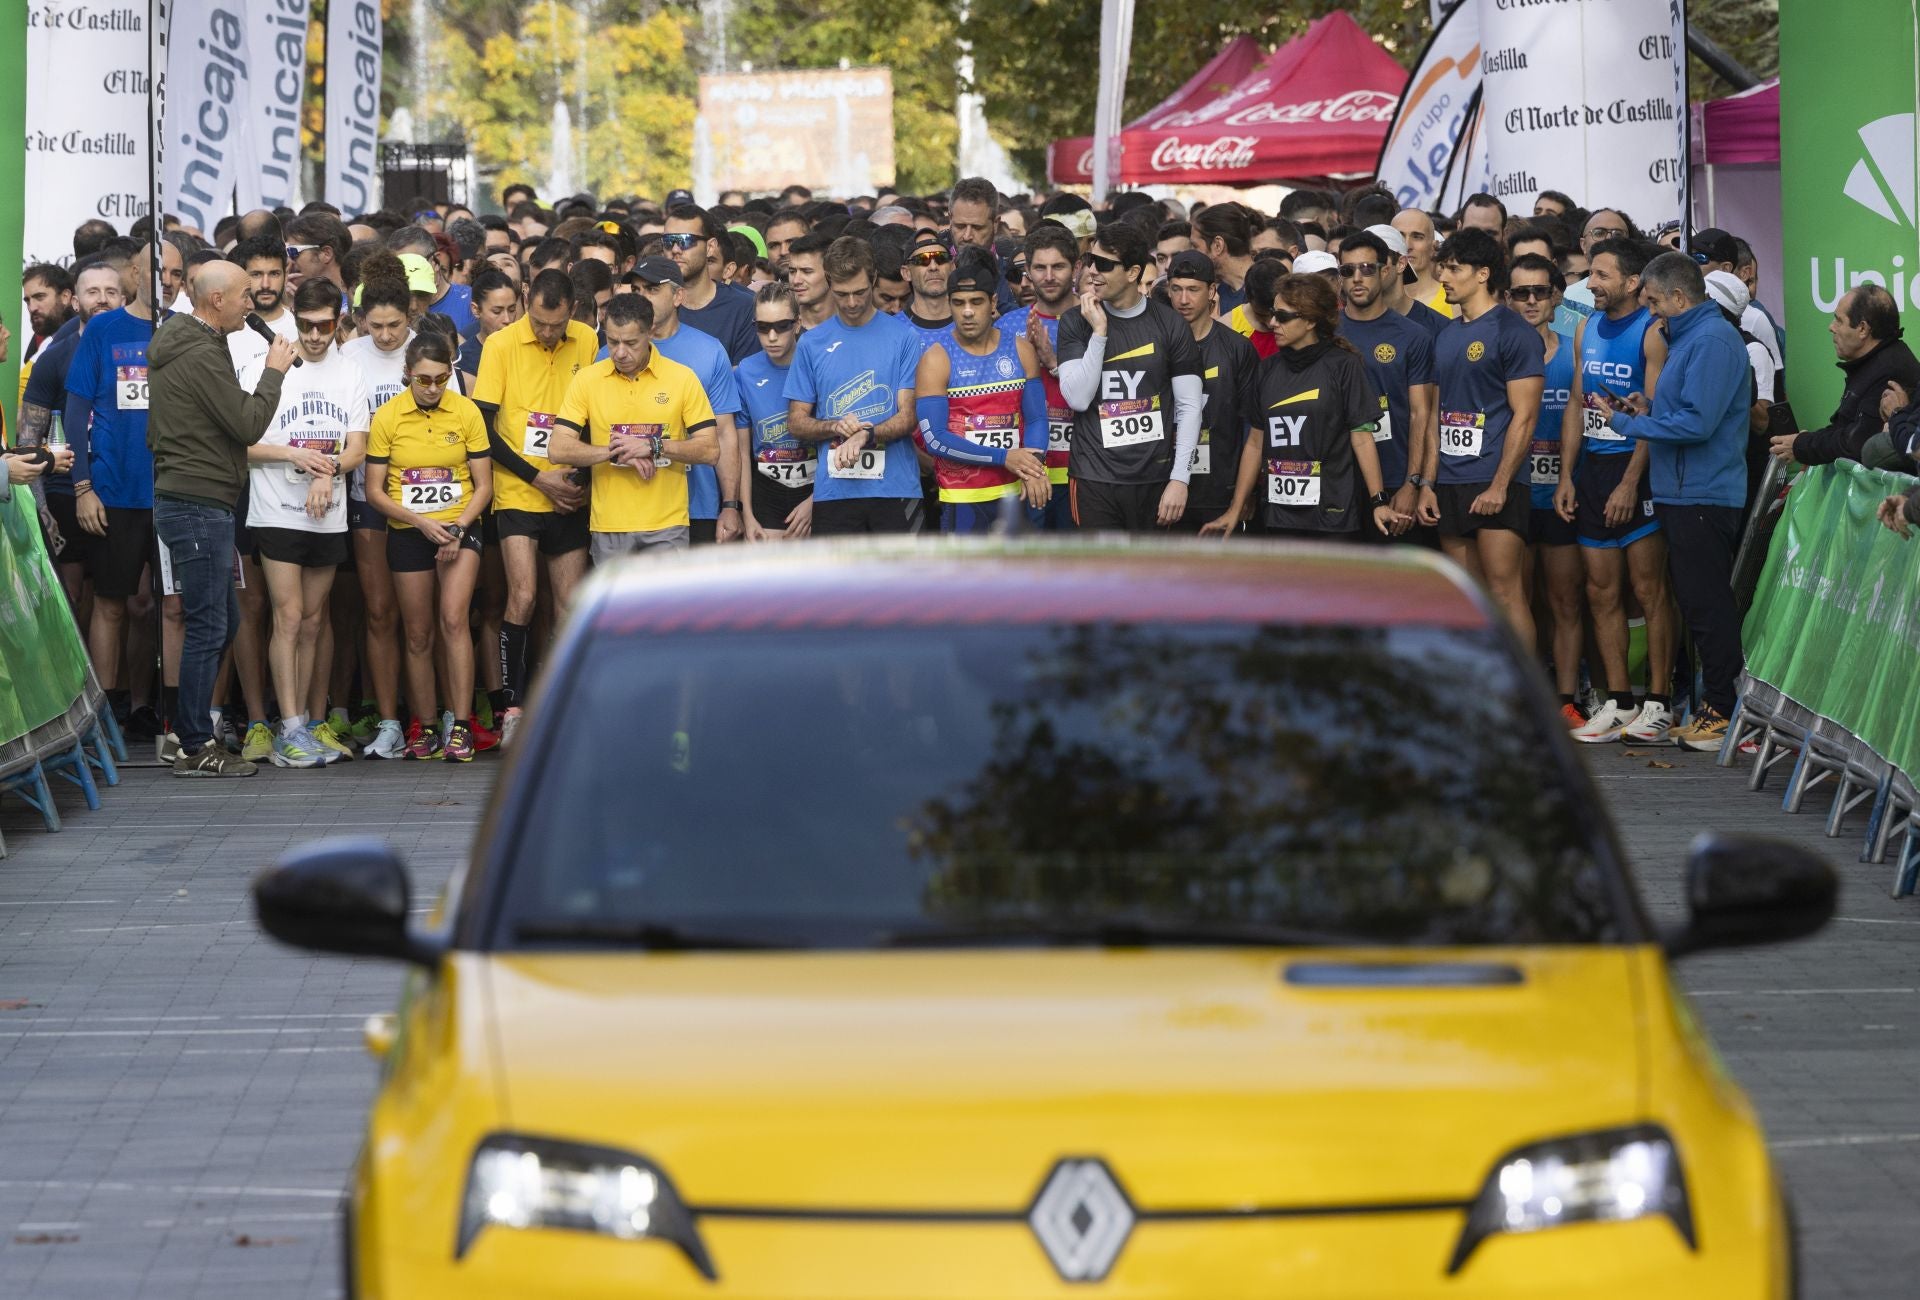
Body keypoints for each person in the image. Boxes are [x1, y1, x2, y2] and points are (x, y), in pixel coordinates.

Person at [147, 261, 296, 777]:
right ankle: (194, 745)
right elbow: (248, 423)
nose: (251, 304)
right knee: (210, 623)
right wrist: (274, 370)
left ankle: (182, 734)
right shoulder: (199, 354)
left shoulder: (191, 344)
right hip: (197, 503)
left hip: (193, 499)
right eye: (244, 296)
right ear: (216, 302)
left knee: (221, 620)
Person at [1598, 252, 1752, 751]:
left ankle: (1725, 711)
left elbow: (1697, 424)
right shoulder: (1691, 338)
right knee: (1698, 604)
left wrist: (1628, 423)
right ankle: (1715, 708)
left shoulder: (1711, 341)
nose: (1651, 311)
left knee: (1708, 607)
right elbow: (1683, 409)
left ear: (1681, 297)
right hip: (1685, 491)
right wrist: (1644, 407)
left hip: (1703, 493)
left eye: (1656, 301)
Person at [242, 279, 368, 768]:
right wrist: (298, 455)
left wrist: (330, 468)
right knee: (288, 616)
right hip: (276, 509)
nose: (315, 336)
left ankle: (305, 725)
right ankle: (290, 726)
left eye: (325, 326)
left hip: (327, 512)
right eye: (307, 326)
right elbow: (243, 444)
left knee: (314, 621)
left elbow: (357, 447)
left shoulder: (350, 372)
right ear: (295, 318)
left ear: (339, 320)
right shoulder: (267, 367)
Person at [1555, 238, 1676, 743]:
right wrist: (1566, 474)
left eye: (1601, 275)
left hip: (1637, 469)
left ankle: (1660, 702)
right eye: (1589, 275)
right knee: (1599, 591)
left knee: (1648, 591)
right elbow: (1577, 406)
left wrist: (1630, 481)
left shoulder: (1652, 334)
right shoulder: (1585, 328)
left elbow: (1653, 413)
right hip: (1593, 471)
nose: (1592, 284)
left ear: (1632, 283)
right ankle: (1619, 702)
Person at [65, 238, 185, 741]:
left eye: (177, 274)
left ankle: (177, 723)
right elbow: (75, 412)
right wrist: (82, 487)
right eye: (159, 272)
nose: (168, 282)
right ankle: (103, 720)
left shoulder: (189, 332)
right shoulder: (105, 329)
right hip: (114, 491)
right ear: (134, 273)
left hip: (176, 493)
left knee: (174, 606)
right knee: (111, 604)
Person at [471, 269, 596, 742]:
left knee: (569, 603)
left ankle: (566, 705)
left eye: (556, 324)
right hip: (519, 489)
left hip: (570, 490)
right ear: (527, 300)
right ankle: (513, 708)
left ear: (573, 311)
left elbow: (595, 418)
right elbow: (483, 427)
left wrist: (576, 477)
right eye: (540, 322)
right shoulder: (501, 345)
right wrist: (538, 477)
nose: (547, 332)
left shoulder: (585, 340)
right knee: (522, 596)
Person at [364, 334, 493, 762]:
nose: (433, 387)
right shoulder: (388, 416)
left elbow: (484, 485)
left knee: (454, 620)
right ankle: (427, 722)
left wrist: (456, 528)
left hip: (460, 525)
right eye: (424, 379)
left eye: (441, 378)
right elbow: (374, 491)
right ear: (408, 375)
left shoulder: (467, 411)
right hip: (409, 529)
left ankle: (460, 722)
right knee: (417, 632)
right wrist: (420, 523)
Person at [1205, 271, 1401, 541]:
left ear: (1310, 320)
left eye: (1283, 316)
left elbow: (1363, 438)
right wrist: (1236, 509)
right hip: (1279, 513)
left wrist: (1378, 501)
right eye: (1273, 313)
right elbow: (1255, 443)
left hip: (1332, 514)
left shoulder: (1344, 366)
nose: (1273, 322)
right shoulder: (1266, 370)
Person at [1426, 227, 1545, 642]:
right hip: (1451, 481)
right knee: (1467, 601)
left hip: (1498, 480)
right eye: (1443, 267)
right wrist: (1426, 484)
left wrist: (1500, 485)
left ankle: (1521, 704)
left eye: (1454, 268)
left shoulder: (1512, 332)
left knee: (1505, 593)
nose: (1443, 276)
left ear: (1483, 274)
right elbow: (1435, 418)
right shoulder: (1445, 335)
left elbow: (1525, 416)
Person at [1056, 223, 1204, 532]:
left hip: (1155, 478)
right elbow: (1078, 399)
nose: (1093, 271)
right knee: (1101, 578)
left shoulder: (1171, 324)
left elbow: (1190, 407)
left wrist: (1180, 479)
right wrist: (1099, 333)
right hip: (1094, 477)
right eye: (1090, 260)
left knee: (1149, 578)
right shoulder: (1075, 321)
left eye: (1105, 265)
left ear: (1134, 272)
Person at [549, 292, 719, 557]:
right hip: (609, 526)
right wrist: (616, 451)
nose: (619, 352)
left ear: (649, 332)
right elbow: (557, 448)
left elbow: (710, 450)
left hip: (667, 524)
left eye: (630, 343)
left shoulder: (682, 378)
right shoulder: (587, 380)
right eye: (612, 341)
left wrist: (653, 446)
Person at [785, 237, 926, 535]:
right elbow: (796, 422)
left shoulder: (904, 338)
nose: (852, 303)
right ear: (828, 282)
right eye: (842, 293)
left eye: (860, 292)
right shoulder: (811, 343)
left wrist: (867, 435)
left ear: (873, 279)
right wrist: (835, 427)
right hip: (835, 492)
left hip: (895, 488)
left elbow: (908, 415)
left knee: (903, 582)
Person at [338, 257, 416, 759]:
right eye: (376, 326)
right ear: (361, 319)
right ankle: (388, 720)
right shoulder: (350, 355)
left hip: (425, 503)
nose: (386, 336)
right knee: (380, 613)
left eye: (396, 326)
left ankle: (425, 716)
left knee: (423, 619)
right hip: (368, 500)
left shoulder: (430, 352)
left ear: (411, 316)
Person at [1505, 254, 1588, 723]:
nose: (1532, 300)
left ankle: (1566, 700)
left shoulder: (1574, 349)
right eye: (1521, 293)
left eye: (1541, 291)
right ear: (1507, 298)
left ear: (1557, 296)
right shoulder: (1497, 351)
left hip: (1559, 491)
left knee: (1564, 599)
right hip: (1512, 494)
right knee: (1519, 599)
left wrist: (1568, 476)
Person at [913, 251, 1050, 533]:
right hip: (964, 498)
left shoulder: (1021, 349)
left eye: (976, 302)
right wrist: (1005, 457)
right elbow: (935, 440)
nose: (966, 312)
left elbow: (1036, 418)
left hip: (1016, 491)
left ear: (993, 302)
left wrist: (1034, 466)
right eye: (958, 303)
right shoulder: (936, 359)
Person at [18, 259, 123, 607]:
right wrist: (43, 514)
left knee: (132, 604)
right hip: (64, 494)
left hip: (125, 492)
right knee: (71, 599)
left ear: (123, 299)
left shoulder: (141, 353)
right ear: (75, 302)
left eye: (111, 292)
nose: (102, 299)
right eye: (93, 292)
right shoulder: (53, 359)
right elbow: (28, 442)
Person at [629, 256, 747, 544]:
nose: (642, 298)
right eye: (636, 290)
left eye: (653, 289)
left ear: (678, 296)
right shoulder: (610, 355)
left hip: (696, 505)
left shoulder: (709, 351)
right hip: (626, 506)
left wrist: (730, 505)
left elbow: (725, 433)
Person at [1337, 230, 1438, 540]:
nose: (1357, 277)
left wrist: (1413, 483)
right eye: (1348, 270)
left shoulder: (1414, 336)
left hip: (1396, 477)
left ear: (1385, 271)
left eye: (1367, 268)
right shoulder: (1326, 333)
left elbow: (1421, 415)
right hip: (1338, 479)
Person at [1770, 285, 1920, 468]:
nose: (1831, 327)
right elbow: (1844, 429)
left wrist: (1801, 445)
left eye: (1839, 320)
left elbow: (1855, 443)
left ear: (1863, 329)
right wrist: (1805, 443)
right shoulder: (1873, 364)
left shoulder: (1890, 370)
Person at [1161, 251, 1257, 534]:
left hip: (1220, 491)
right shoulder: (1154, 345)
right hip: (1162, 487)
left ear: (1212, 291)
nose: (1183, 300)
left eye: (1193, 290)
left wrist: (1245, 493)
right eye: (1176, 289)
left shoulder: (1237, 349)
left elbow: (1252, 427)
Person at [1002, 224, 1082, 530]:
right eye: (1040, 267)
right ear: (1029, 271)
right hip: (1026, 473)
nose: (1048, 276)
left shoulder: (1096, 320)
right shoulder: (1009, 326)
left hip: (1082, 472)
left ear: (1075, 268)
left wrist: (1052, 361)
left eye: (1058, 266)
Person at [737, 284, 815, 540]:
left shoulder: (818, 365)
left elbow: (835, 441)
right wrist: (746, 513)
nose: (771, 336)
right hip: (766, 490)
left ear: (797, 324)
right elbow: (741, 452)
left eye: (781, 326)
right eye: (762, 327)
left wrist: (815, 501)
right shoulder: (744, 372)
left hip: (816, 488)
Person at [664, 203, 760, 363]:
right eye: (668, 241)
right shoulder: (652, 304)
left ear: (710, 247)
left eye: (685, 241)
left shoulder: (743, 307)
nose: (675, 249)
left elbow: (745, 378)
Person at [458, 267, 523, 388]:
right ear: (476, 310)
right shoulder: (465, 359)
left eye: (512, 310)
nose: (507, 319)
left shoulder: (528, 349)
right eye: (497, 311)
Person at [1191, 203, 1255, 314]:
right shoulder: (1216, 293)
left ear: (1217, 246)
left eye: (1195, 246)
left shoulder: (1262, 291)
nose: (1191, 254)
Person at [1391, 209, 1451, 318]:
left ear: (1434, 246)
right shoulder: (1376, 300)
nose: (1407, 246)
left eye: (1417, 237)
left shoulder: (1454, 300)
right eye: (1400, 236)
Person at [904, 230, 954, 341]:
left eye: (941, 258)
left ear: (952, 267)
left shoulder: (974, 324)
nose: (933, 267)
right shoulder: (893, 329)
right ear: (906, 273)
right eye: (922, 259)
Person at [785, 230, 834, 331]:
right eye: (792, 271)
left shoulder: (853, 322)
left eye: (807, 271)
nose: (796, 281)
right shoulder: (782, 325)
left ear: (831, 272)